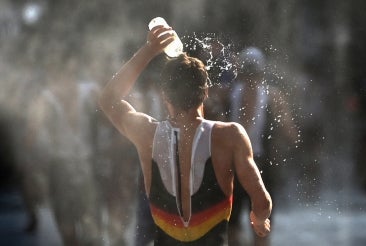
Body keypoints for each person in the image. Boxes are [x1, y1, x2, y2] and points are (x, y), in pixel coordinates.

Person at [99, 25, 272, 245]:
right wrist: (259, 220)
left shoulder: (147, 133)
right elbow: (262, 202)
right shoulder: (230, 136)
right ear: (205, 92)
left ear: (164, 96)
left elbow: (108, 100)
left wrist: (149, 50)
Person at [228, 47, 298, 245]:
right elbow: (291, 134)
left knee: (236, 223)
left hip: (239, 165)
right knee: (256, 223)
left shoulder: (231, 93)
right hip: (254, 165)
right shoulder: (271, 96)